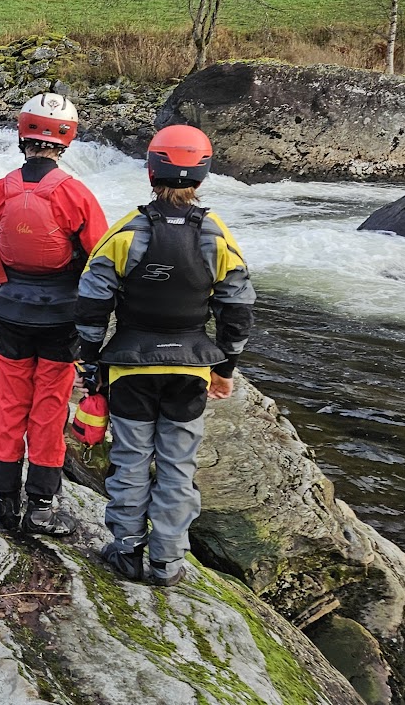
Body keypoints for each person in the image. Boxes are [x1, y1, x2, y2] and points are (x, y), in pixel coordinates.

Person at [75, 124, 255, 586]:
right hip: (190, 370)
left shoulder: (124, 233)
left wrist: (91, 363)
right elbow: (237, 307)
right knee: (178, 464)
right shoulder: (217, 235)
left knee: (131, 461)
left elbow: (93, 304)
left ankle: (126, 551)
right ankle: (167, 563)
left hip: (130, 368)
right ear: (203, 174)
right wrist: (226, 368)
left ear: (151, 169)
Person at [0, 93, 108, 536]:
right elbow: (99, 260)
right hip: (61, 320)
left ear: (23, 133)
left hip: (11, 315)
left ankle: (6, 502)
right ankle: (42, 506)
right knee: (49, 408)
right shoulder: (76, 194)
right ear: (67, 138)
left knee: (8, 404)